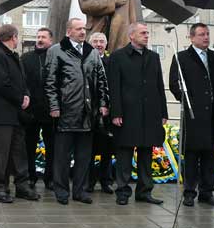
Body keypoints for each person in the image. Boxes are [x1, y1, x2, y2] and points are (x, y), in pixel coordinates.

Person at [44, 18, 109, 205]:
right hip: (65, 112)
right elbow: (49, 82)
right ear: (68, 31)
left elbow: (102, 80)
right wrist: (54, 106)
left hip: (87, 113)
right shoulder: (56, 51)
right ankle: (62, 191)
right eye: (78, 29)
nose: (83, 32)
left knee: (84, 156)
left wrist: (103, 104)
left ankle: (79, 191)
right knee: (62, 156)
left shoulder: (92, 53)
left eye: (84, 29)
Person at [169, 23, 214, 207]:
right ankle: (189, 192)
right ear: (192, 37)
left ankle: (207, 192)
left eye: (208, 34)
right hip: (193, 114)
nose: (206, 37)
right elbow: (174, 84)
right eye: (202, 34)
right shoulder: (181, 57)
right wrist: (187, 101)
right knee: (192, 154)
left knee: (210, 155)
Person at [108, 22, 167, 206]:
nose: (146, 36)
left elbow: (159, 86)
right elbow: (114, 87)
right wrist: (116, 112)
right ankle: (123, 192)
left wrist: (163, 112)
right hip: (127, 112)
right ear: (131, 36)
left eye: (147, 33)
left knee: (146, 153)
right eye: (143, 33)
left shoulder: (153, 57)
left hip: (150, 113)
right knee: (125, 153)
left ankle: (144, 191)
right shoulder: (118, 57)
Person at [0, 24, 40, 203]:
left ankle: (22, 186)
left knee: (18, 151)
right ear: (13, 37)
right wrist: (20, 98)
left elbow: (22, 81)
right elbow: (1, 84)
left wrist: (26, 95)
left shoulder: (13, 56)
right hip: (1, 113)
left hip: (15, 113)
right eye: (17, 38)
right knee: (1, 153)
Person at [21, 27, 55, 190]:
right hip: (31, 111)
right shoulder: (26, 58)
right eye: (38, 37)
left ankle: (50, 178)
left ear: (51, 40)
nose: (40, 40)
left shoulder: (57, 58)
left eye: (43, 37)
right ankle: (30, 176)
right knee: (29, 146)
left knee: (52, 146)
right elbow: (22, 82)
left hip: (51, 111)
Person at [86, 32, 114, 194]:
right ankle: (89, 181)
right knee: (89, 149)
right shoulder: (86, 60)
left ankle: (106, 181)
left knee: (107, 150)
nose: (98, 44)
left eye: (101, 41)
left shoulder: (111, 62)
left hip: (107, 112)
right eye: (95, 41)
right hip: (90, 111)